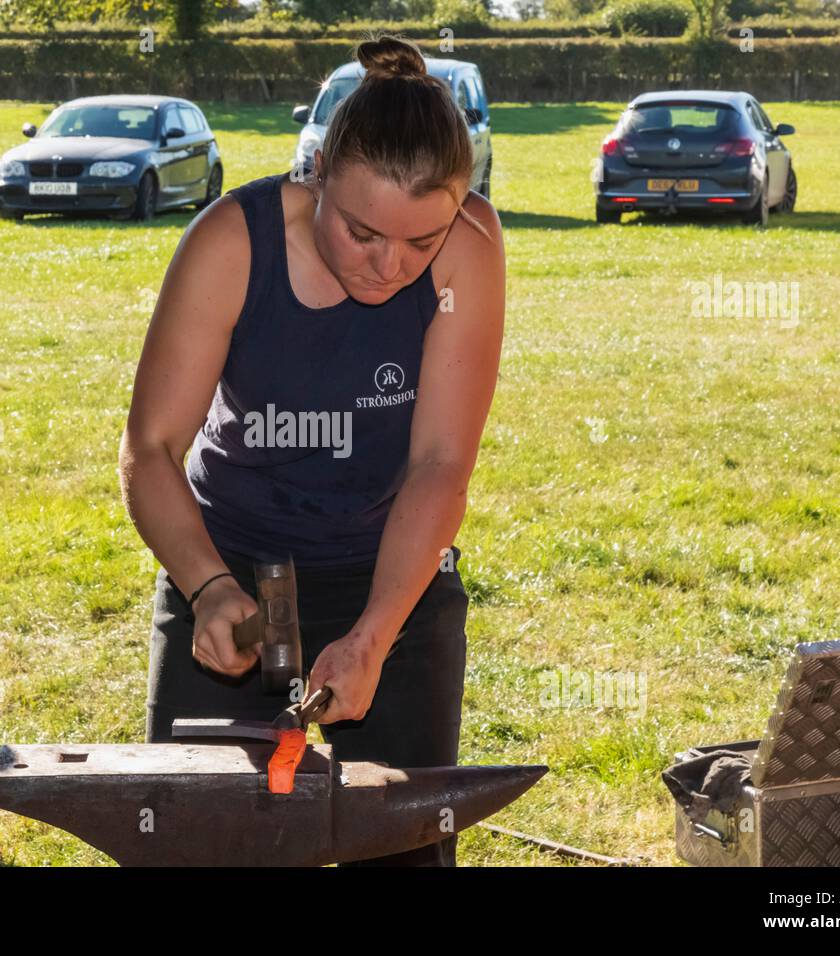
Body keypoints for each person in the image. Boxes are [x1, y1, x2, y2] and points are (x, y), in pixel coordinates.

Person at [118, 34, 506, 865]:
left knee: (400, 849)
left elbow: (441, 464)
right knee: (196, 841)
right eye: (365, 233)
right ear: (319, 171)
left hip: (392, 573)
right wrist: (209, 589)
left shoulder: (470, 247)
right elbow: (149, 449)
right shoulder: (231, 242)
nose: (391, 267)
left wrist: (372, 636)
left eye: (420, 241)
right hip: (233, 566)